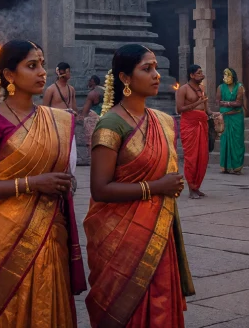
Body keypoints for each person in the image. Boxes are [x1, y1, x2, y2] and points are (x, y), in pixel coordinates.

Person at [0, 40, 84, 327]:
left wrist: (65, 184)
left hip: (50, 235)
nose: (42, 72)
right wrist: (33, 183)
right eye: (32, 65)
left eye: (42, 64)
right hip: (3, 240)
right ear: (9, 75)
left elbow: (61, 174)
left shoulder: (55, 120)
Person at [86, 44, 194, 327]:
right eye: (147, 69)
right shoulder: (110, 124)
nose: (157, 75)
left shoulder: (162, 121)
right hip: (121, 238)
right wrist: (156, 187)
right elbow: (100, 189)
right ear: (125, 78)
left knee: (159, 302)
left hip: (158, 231)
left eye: (156, 68)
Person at [175, 64, 210, 199]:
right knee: (192, 158)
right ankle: (191, 189)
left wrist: (215, 114)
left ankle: (197, 187)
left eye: (202, 72)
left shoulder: (202, 89)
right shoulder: (183, 89)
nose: (202, 75)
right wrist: (196, 103)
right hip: (189, 125)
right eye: (199, 73)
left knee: (203, 157)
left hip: (202, 123)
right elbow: (179, 109)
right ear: (191, 75)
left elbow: (206, 109)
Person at [218, 68, 247, 175]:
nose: (226, 77)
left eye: (228, 75)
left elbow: (239, 103)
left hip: (236, 117)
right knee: (225, 141)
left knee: (237, 141)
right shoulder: (220, 87)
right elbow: (218, 101)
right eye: (224, 75)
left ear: (233, 76)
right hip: (225, 117)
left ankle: (237, 167)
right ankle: (225, 167)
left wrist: (227, 103)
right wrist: (230, 103)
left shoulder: (239, 87)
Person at [78, 75, 103, 167]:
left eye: (90, 81)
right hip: (104, 116)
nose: (88, 82)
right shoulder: (104, 90)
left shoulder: (92, 93)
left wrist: (81, 117)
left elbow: (85, 110)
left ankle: (92, 159)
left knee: (90, 140)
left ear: (93, 82)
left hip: (93, 117)